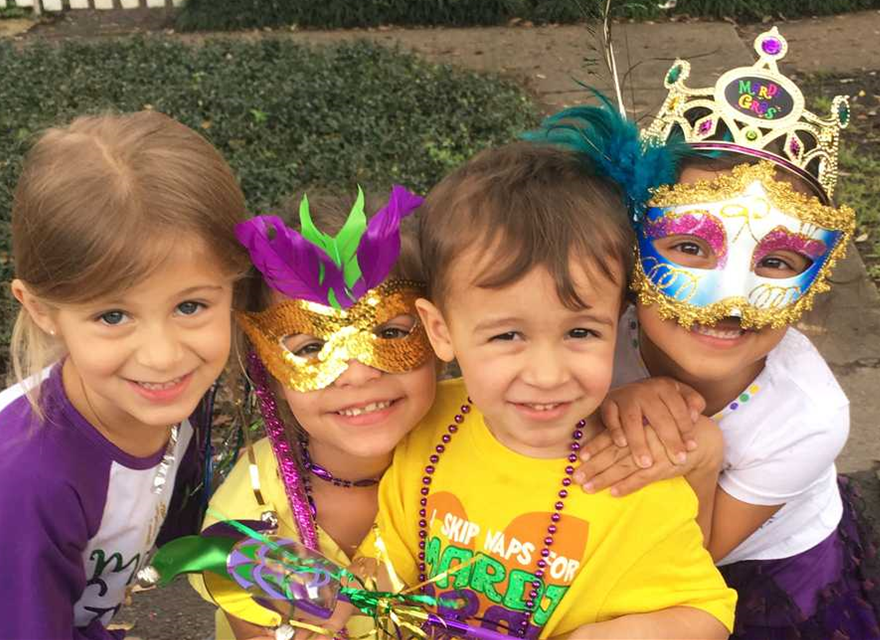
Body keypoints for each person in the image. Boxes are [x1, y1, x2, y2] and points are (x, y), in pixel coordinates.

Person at [567, 27, 880, 640]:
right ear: (633, 244)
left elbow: (696, 554)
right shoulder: (590, 331)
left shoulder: (809, 418)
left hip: (753, 562)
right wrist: (610, 398)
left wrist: (701, 454)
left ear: (816, 273)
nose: (731, 301)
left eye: (777, 262)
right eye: (689, 247)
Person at [364, 142, 736, 639]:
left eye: (580, 332)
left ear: (617, 322)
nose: (546, 374)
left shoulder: (634, 475)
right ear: (441, 331)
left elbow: (705, 613)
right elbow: (385, 558)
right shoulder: (427, 425)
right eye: (507, 335)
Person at [0, 111, 251, 639]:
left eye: (191, 306)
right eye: (113, 316)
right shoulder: (30, 485)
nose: (162, 356)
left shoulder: (170, 400)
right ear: (42, 309)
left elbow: (190, 527)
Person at [189, 187, 440, 639]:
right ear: (269, 368)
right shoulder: (245, 517)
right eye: (310, 347)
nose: (358, 374)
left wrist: (613, 407)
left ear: (440, 332)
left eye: (390, 332)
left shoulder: (483, 436)